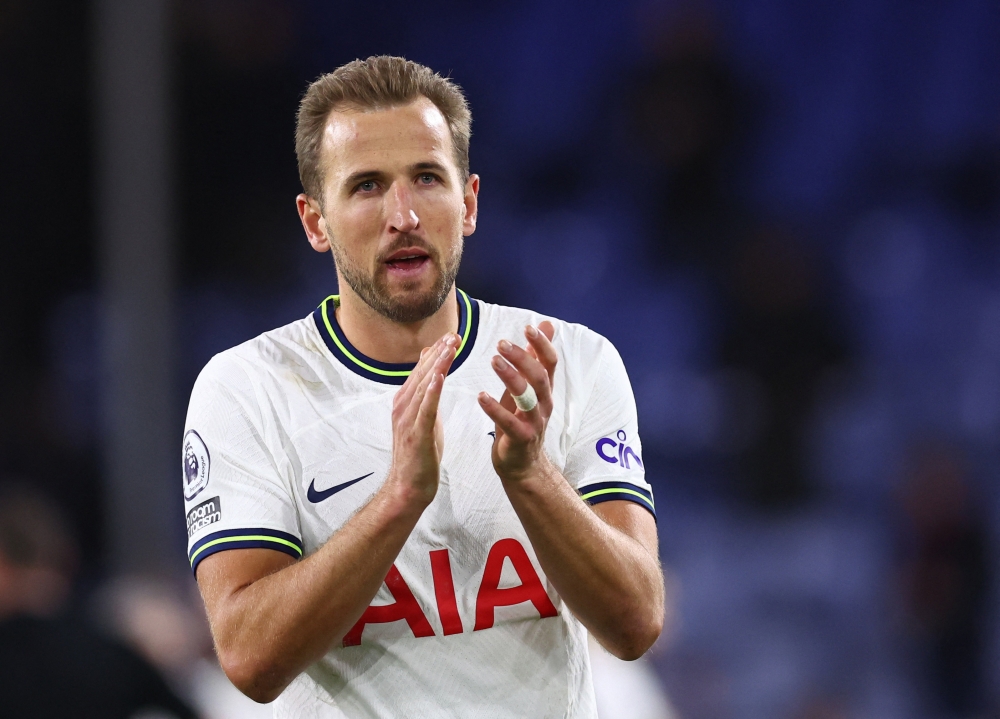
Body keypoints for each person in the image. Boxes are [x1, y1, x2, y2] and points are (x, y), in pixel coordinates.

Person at [183, 55, 664, 718]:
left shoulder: (569, 360)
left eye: (427, 179)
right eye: (367, 186)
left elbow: (636, 621)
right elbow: (249, 658)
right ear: (315, 220)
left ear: (467, 203)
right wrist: (398, 498)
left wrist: (530, 477)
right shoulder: (248, 390)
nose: (403, 214)